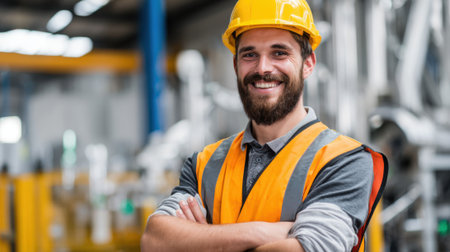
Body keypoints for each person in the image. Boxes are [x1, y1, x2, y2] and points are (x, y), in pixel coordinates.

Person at [141, 0, 388, 251]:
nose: (263, 68)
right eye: (249, 55)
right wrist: (264, 232)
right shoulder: (203, 165)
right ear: (236, 65)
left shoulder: (343, 160)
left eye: (279, 53)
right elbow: (155, 240)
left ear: (308, 64)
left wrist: (204, 237)